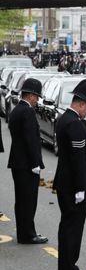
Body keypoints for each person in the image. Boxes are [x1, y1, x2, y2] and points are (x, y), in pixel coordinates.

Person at [53, 79, 86, 270]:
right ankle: (69, 269)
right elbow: (78, 159)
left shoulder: (65, 119)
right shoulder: (75, 124)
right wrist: (81, 187)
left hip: (65, 182)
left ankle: (67, 267)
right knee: (72, 227)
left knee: (68, 225)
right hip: (73, 185)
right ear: (81, 103)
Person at [8, 78, 47, 244]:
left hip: (17, 162)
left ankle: (24, 232)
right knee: (29, 201)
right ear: (30, 96)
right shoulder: (28, 112)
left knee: (21, 200)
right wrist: (35, 163)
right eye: (36, 96)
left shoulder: (16, 110)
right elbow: (31, 140)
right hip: (27, 164)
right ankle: (28, 234)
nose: (37, 100)